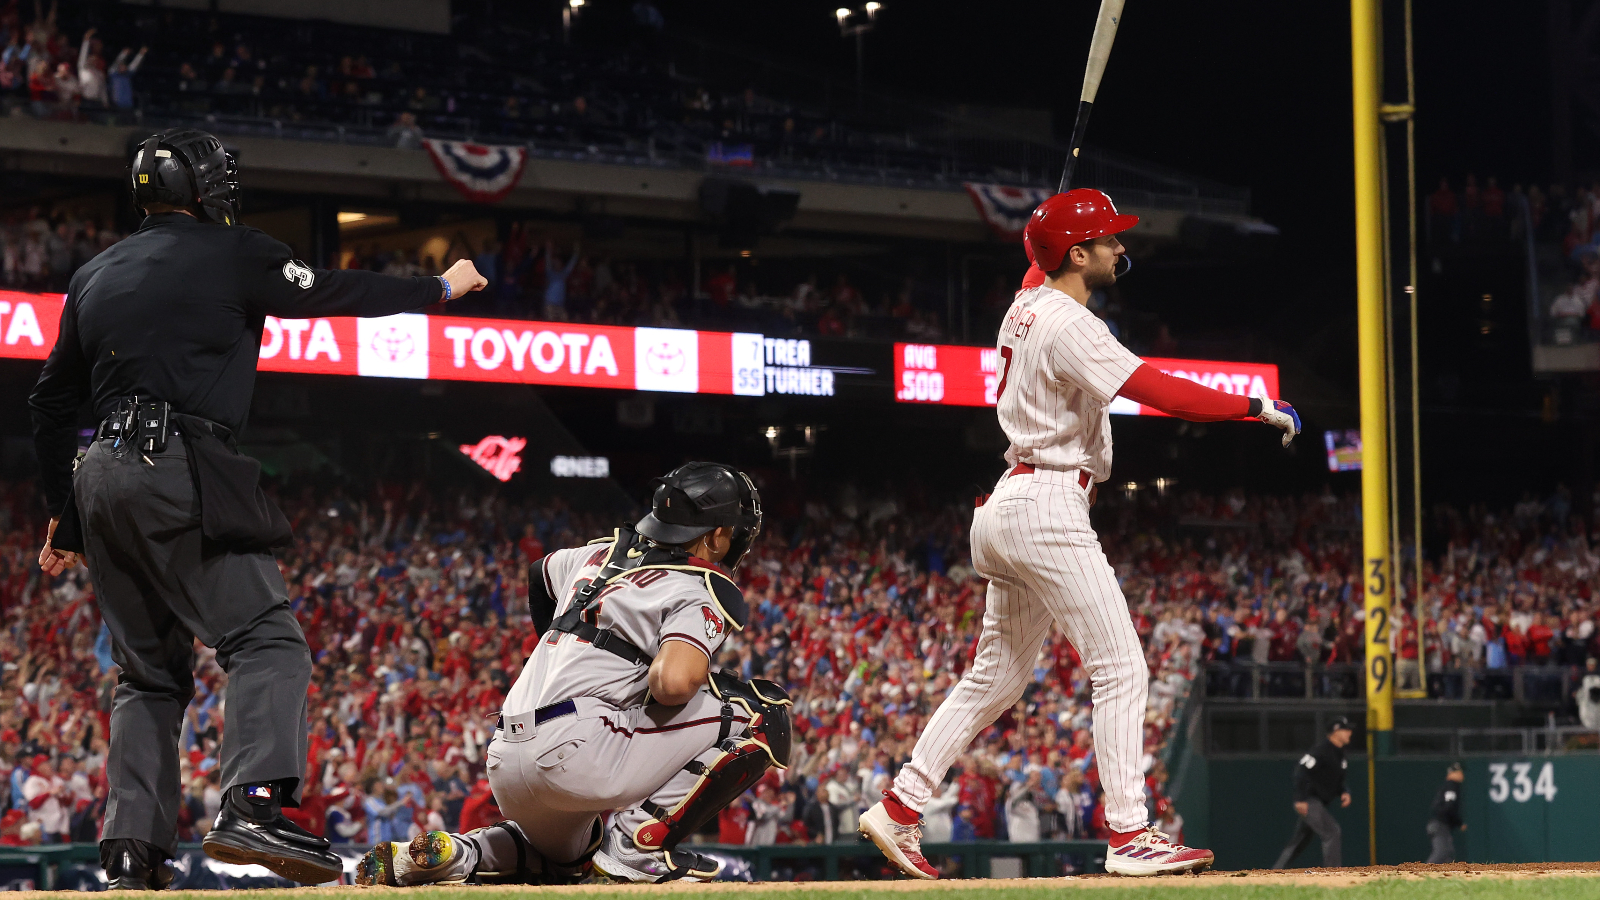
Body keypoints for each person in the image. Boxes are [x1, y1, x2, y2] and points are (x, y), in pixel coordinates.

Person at [28, 128, 486, 890]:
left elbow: (50, 405)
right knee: (267, 640)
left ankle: (131, 853)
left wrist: (63, 515)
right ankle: (253, 805)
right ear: (204, 190)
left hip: (98, 474)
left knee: (147, 676)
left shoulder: (93, 273)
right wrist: (438, 288)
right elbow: (335, 290)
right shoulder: (232, 250)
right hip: (177, 461)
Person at [859, 188, 1301, 879]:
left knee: (996, 677)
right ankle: (1130, 832)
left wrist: (1045, 235)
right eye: (1109, 241)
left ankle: (900, 806)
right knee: (1121, 667)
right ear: (1076, 254)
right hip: (1047, 506)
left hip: (1007, 504)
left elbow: (1037, 267)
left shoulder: (1024, 302)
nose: (1122, 249)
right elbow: (1161, 390)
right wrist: (1251, 407)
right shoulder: (1070, 325)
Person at [356, 462, 790, 886]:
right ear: (717, 536)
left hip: (506, 756)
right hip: (578, 748)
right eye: (735, 531)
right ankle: (638, 843)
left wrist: (575, 655)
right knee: (761, 713)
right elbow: (673, 684)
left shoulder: (594, 555)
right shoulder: (695, 585)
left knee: (571, 861)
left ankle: (462, 854)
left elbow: (539, 572)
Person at [1272, 716, 1353, 869]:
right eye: (1346, 729)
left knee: (1300, 839)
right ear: (1336, 732)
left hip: (1318, 801)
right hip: (1309, 800)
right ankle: (1333, 872)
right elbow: (1301, 772)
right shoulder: (1321, 751)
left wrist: (1344, 791)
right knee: (1332, 831)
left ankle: (1276, 871)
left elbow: (1337, 780)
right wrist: (1300, 799)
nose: (1350, 732)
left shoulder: (1339, 754)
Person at [1425, 763, 1466, 864]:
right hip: (1439, 825)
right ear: (1452, 773)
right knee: (1442, 852)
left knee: (1448, 853)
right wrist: (1459, 823)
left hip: (1438, 825)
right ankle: (1422, 874)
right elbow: (1449, 807)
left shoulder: (1449, 786)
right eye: (1459, 772)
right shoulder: (1451, 786)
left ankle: (1444, 876)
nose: (1462, 775)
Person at [1576, 657, 1600, 730]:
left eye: (1592, 665)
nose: (1591, 666)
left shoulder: (1598, 676)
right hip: (1586, 702)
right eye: (1589, 665)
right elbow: (1580, 688)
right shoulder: (1583, 676)